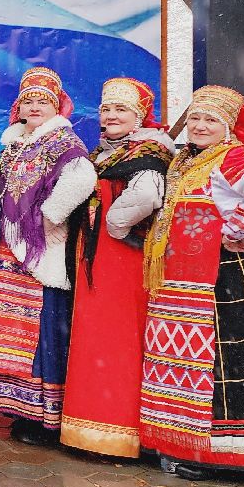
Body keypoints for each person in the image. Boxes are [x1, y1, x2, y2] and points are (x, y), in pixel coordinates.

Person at [142, 85, 244, 480]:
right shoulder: (187, 161)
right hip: (184, 278)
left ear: (228, 128)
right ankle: (187, 445)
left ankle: (228, 452)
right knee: (189, 359)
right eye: (195, 118)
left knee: (223, 361)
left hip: (221, 276)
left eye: (211, 120)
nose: (200, 126)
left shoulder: (235, 156)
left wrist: (237, 229)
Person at [0, 67, 96, 446]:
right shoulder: (15, 144)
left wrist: (46, 218)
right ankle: (19, 410)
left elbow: (81, 179)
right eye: (27, 100)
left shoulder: (63, 143)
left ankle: (46, 418)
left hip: (41, 251)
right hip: (10, 251)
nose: (34, 107)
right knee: (13, 334)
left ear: (57, 105)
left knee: (43, 333)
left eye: (42, 101)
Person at [60, 78, 173, 459]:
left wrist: (114, 224)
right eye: (106, 109)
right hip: (97, 256)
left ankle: (119, 427)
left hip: (122, 256)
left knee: (117, 335)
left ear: (138, 116)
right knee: (95, 333)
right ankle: (92, 427)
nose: (110, 116)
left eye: (120, 110)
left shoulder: (148, 151)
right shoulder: (107, 152)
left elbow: (147, 195)